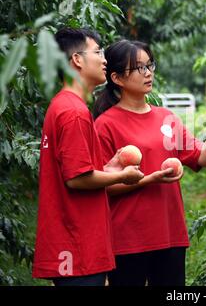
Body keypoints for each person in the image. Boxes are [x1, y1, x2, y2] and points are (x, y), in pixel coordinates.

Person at [92, 39, 206, 286]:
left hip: (170, 234)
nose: (148, 72)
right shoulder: (105, 124)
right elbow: (101, 186)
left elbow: (203, 158)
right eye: (139, 68)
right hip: (127, 238)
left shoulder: (166, 117)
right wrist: (150, 179)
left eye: (150, 65)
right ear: (117, 78)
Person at [32, 28, 144, 286]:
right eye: (97, 52)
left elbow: (76, 172)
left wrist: (110, 167)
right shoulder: (73, 112)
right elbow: (76, 180)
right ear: (77, 60)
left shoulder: (63, 105)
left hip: (73, 248)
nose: (104, 59)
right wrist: (124, 176)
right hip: (77, 247)